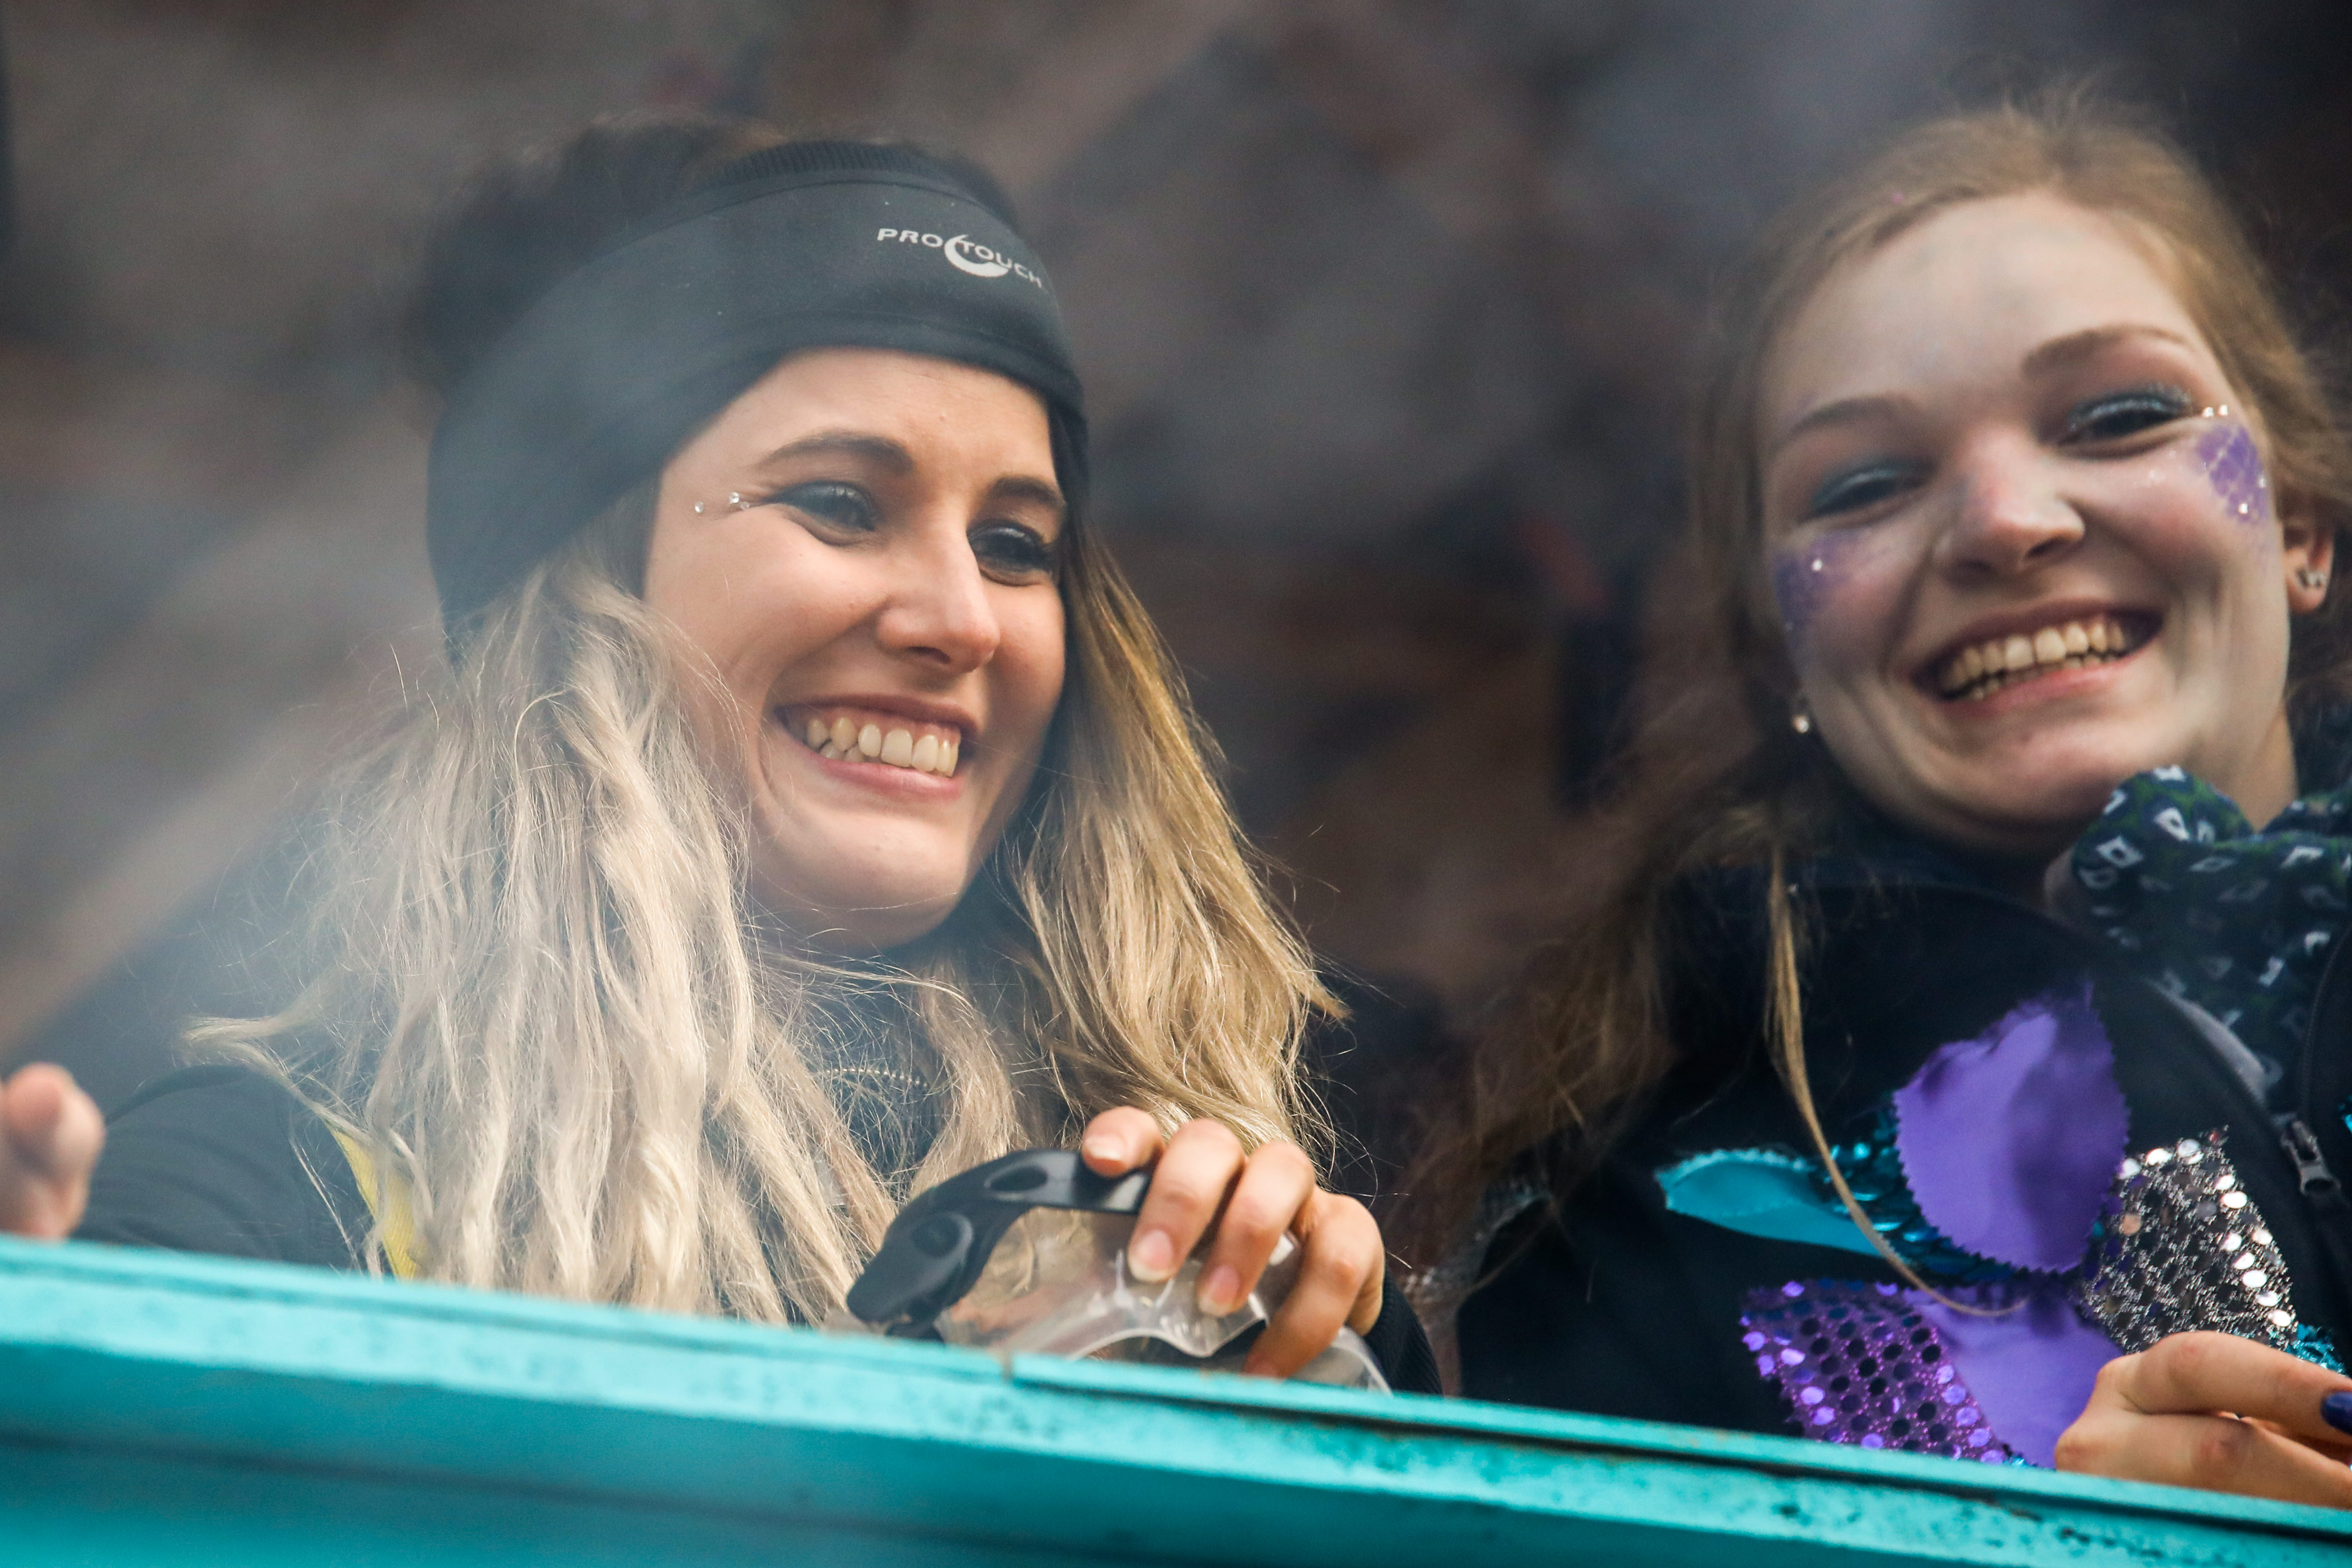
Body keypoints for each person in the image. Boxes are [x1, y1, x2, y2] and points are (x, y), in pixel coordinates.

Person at [0, 114, 1433, 1391]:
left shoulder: (1183, 1250)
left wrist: (1333, 1384)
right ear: (580, 602)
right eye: (841, 504)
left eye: (1015, 544)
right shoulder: (267, 1199)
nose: (960, 618)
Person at [1411, 94, 2352, 1502]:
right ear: (1779, 648)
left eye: (2118, 415)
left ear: (2298, 526)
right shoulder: (1617, 1249)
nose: (2004, 522)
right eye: (1864, 483)